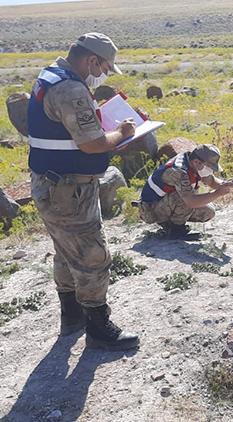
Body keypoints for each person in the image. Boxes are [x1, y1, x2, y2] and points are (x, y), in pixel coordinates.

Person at [27, 33, 140, 350]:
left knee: (65, 250)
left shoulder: (52, 74)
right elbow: (91, 143)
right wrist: (122, 133)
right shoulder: (71, 88)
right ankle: (98, 327)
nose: (103, 74)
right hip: (69, 190)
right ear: (92, 60)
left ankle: (71, 317)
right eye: (104, 67)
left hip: (51, 183)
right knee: (92, 255)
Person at [138, 144, 233, 238]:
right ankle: (175, 231)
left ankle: (170, 224)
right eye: (209, 167)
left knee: (208, 212)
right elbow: (191, 202)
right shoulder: (179, 171)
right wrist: (218, 193)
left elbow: (211, 180)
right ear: (197, 162)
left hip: (163, 204)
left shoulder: (193, 162)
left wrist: (225, 184)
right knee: (183, 198)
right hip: (150, 210)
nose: (211, 171)